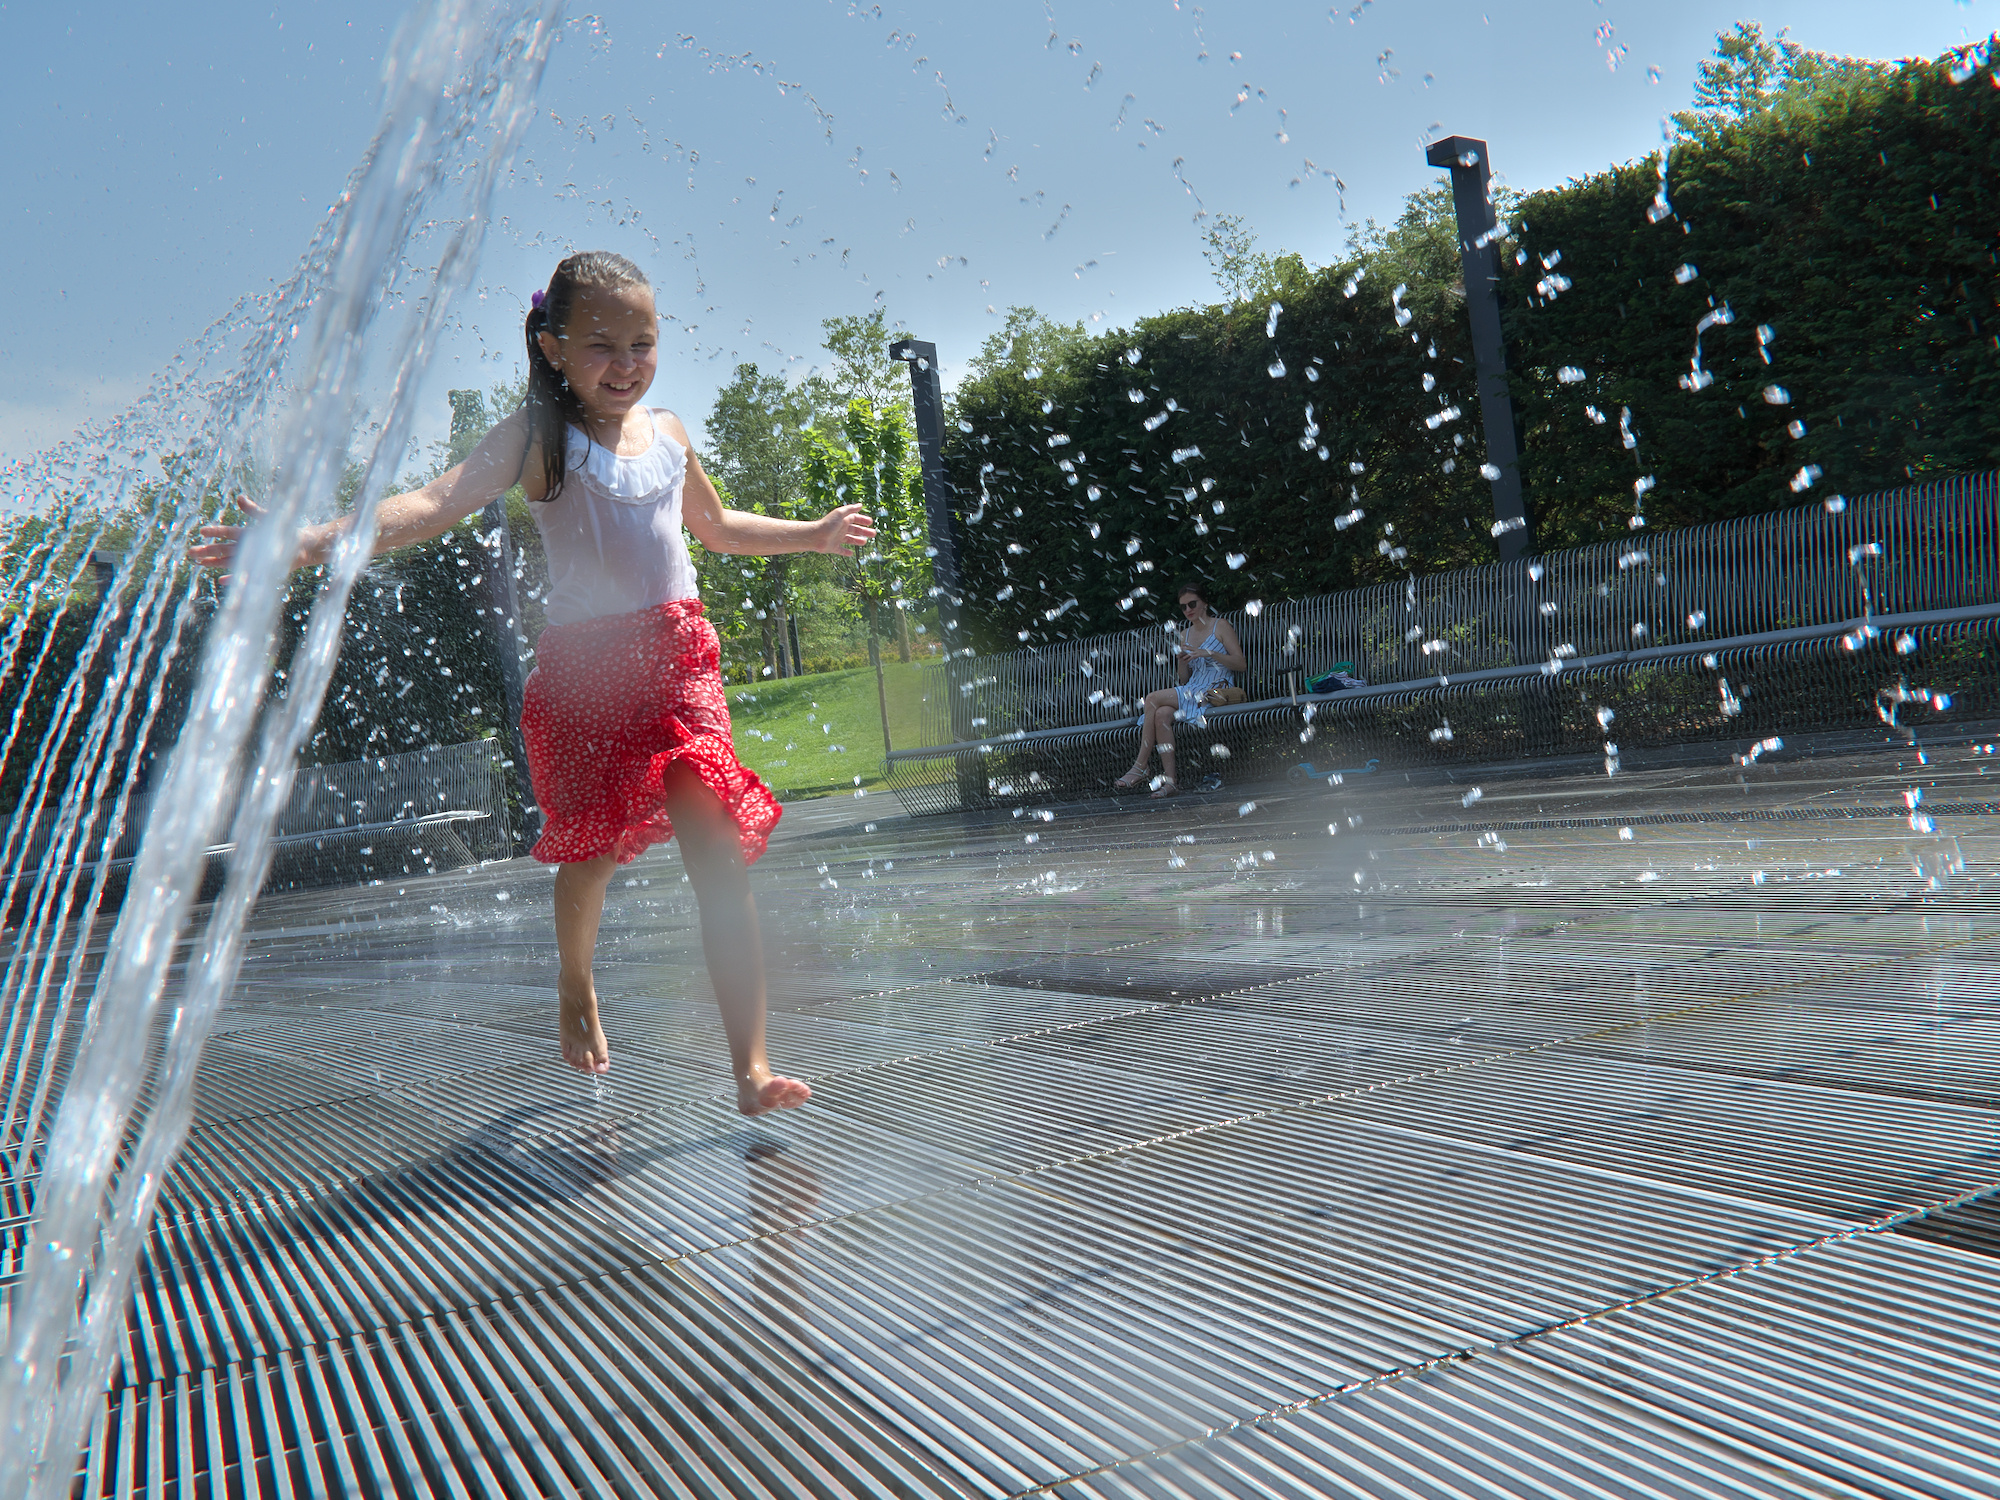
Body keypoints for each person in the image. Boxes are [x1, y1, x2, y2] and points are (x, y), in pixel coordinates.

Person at [190, 251, 874, 1115]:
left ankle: (750, 1067)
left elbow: (717, 527)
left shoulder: (670, 433)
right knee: (589, 857)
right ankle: (576, 986)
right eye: (602, 345)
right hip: (588, 678)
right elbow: (434, 503)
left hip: (679, 663)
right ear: (552, 347)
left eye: (643, 343)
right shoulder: (537, 438)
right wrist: (310, 539)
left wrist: (811, 533)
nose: (625, 364)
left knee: (715, 845)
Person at [1113, 579, 1245, 798]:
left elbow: (1240, 664)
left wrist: (1208, 653)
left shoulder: (1220, 626)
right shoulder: (1185, 634)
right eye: (1183, 607)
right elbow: (1184, 679)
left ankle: (1140, 766)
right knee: (1161, 715)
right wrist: (1182, 661)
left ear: (1205, 603)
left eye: (1192, 604)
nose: (1188, 610)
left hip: (1214, 690)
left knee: (1152, 699)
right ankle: (1171, 782)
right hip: (1193, 689)